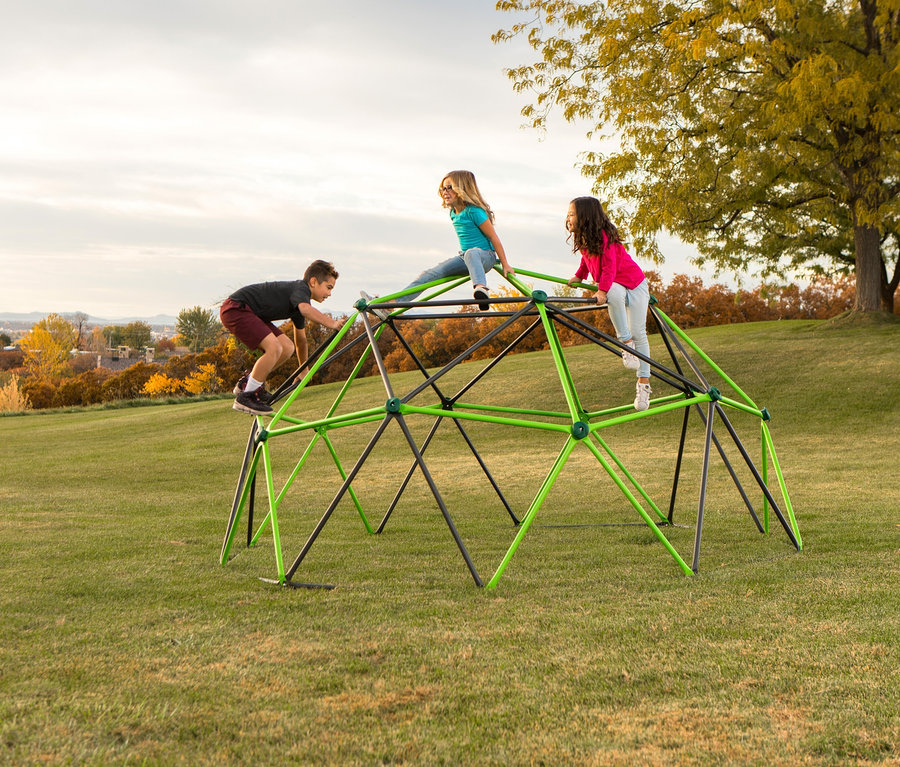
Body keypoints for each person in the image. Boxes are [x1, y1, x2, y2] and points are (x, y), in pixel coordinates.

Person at [362, 170, 514, 316]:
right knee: (429, 274)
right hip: (465, 258)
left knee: (472, 252)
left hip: (484, 257)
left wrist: (505, 264)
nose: (445, 192)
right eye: (443, 188)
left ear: (462, 189)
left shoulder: (474, 212)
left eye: (449, 188)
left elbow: (494, 238)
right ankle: (391, 304)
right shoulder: (453, 213)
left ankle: (481, 289)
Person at [220, 260, 344, 415]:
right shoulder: (301, 289)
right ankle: (247, 396)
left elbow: (301, 341)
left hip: (251, 313)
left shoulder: (299, 304)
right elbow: (306, 309)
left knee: (287, 346)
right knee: (274, 347)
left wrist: (304, 369)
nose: (329, 294)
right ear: (313, 282)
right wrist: (332, 323)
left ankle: (249, 381)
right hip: (236, 308)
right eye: (328, 287)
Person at [565, 196, 653, 411]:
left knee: (639, 331)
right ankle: (625, 342)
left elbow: (610, 267)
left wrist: (601, 291)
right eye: (568, 214)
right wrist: (579, 276)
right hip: (616, 285)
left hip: (635, 283)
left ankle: (644, 383)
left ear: (586, 216)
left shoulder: (606, 237)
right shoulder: (583, 239)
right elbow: (586, 260)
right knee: (613, 291)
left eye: (572, 214)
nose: (568, 218)